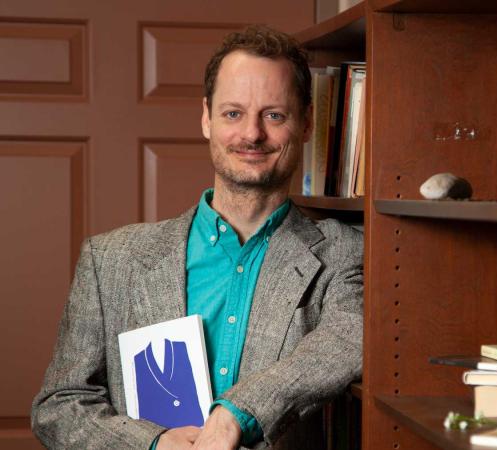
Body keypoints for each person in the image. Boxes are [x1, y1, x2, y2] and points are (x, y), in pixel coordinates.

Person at [31, 25, 363, 450]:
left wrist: (235, 415)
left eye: (274, 115)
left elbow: (345, 342)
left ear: (306, 123)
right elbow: (58, 406)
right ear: (206, 118)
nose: (252, 134)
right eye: (233, 113)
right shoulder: (110, 259)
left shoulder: (343, 253)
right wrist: (153, 443)